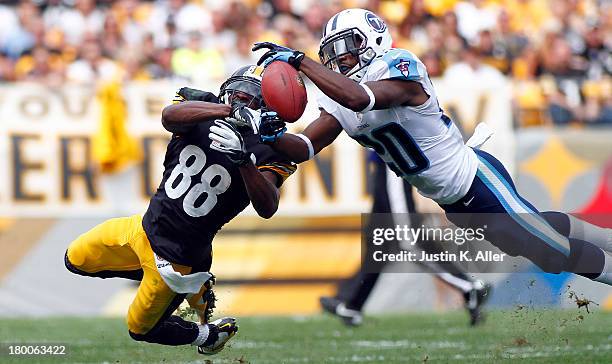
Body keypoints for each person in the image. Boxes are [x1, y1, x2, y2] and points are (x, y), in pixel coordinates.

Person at [251, 9, 612, 288]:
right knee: (535, 236)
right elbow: (302, 146)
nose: (341, 59)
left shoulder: (398, 65)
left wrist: (299, 61)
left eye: (347, 48)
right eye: (333, 53)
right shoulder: (340, 99)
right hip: (454, 201)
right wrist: (263, 133)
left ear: (372, 39)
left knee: (551, 250)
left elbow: (362, 99)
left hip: (476, 178)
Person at [64, 65, 296, 355]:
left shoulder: (270, 147)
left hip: (177, 261)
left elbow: (268, 206)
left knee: (140, 328)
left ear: (265, 107)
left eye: (249, 96)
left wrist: (243, 160)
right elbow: (168, 117)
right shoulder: (205, 108)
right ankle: (193, 287)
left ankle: (207, 335)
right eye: (235, 90)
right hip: (143, 229)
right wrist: (225, 112)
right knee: (74, 258)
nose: (238, 98)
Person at [320, 153, 491, 327]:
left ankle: (469, 288)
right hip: (385, 156)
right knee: (379, 241)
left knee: (409, 239)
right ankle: (353, 304)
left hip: (392, 156)